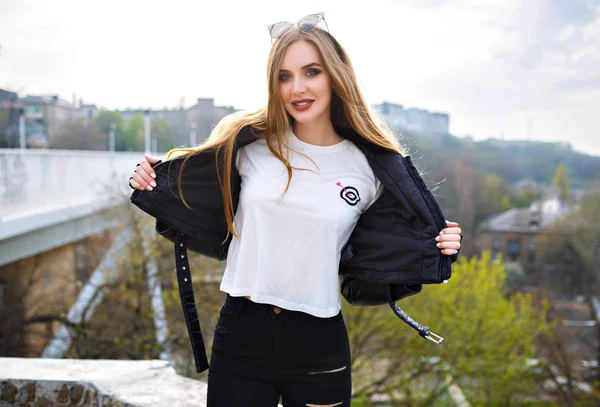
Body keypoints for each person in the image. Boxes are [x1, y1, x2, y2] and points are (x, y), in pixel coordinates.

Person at [129, 12, 462, 407]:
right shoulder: (247, 149)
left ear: (335, 77)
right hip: (241, 334)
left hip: (319, 344)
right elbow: (194, 204)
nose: (297, 88)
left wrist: (438, 245)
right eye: (284, 76)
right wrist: (152, 182)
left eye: (311, 72)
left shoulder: (372, 171)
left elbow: (380, 262)